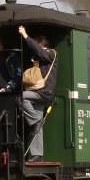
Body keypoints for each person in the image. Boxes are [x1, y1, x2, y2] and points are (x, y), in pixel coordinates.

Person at [18, 25, 57, 161]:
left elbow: (40, 52)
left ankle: (34, 121)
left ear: (41, 43)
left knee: (22, 97)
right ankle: (38, 155)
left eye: (36, 43)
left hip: (44, 92)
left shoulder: (51, 54)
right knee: (38, 125)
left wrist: (26, 36)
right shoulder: (38, 58)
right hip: (37, 92)